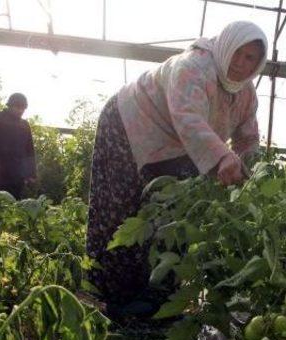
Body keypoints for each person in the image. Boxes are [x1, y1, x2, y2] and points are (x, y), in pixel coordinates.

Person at [86, 21, 268, 319]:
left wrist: (254, 173)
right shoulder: (193, 66)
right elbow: (188, 117)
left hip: (179, 145)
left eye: (250, 58)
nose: (241, 64)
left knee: (179, 212)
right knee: (121, 206)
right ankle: (114, 295)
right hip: (128, 124)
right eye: (238, 53)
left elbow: (248, 138)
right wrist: (223, 157)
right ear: (225, 47)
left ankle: (158, 297)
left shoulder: (246, 94)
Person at [0, 93, 37, 199]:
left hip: (17, 176)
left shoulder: (24, 125)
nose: (20, 111)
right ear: (10, 105)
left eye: (23, 108)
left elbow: (29, 151)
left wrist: (31, 174)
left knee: (13, 208)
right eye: (18, 107)